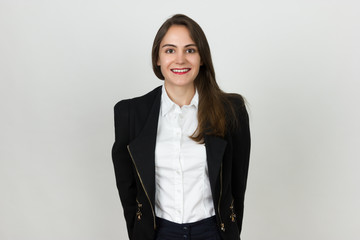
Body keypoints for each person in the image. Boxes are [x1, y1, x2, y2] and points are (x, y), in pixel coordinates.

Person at [112, 14, 251, 240]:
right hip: (159, 233)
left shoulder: (230, 111)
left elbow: (237, 186)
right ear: (157, 58)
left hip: (212, 232)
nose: (180, 59)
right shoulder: (130, 113)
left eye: (190, 50)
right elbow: (127, 189)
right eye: (169, 50)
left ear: (202, 57)